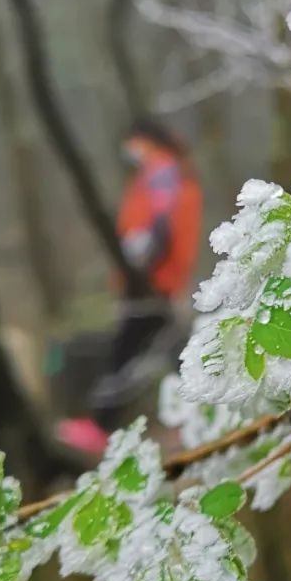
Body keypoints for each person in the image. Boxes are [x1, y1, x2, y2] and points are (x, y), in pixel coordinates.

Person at [56, 120, 203, 456]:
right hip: (158, 279)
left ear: (145, 140)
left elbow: (160, 226)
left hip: (151, 281)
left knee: (129, 351)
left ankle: (100, 425)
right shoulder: (170, 171)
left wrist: (140, 265)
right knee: (170, 350)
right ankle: (197, 416)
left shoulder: (162, 172)